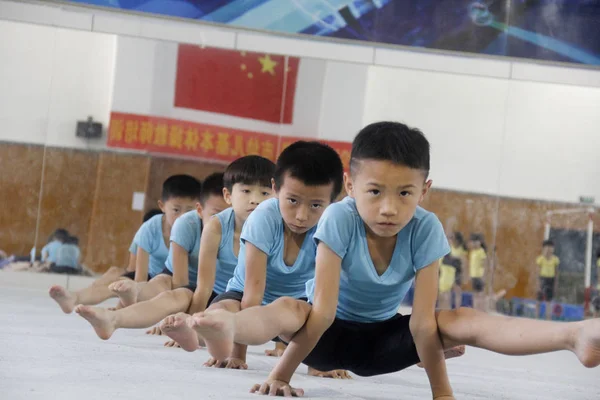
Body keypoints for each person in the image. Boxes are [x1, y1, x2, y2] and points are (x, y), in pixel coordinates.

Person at [185, 121, 600, 399]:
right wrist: (281, 375)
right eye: (374, 192)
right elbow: (323, 313)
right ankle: (230, 323)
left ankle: (572, 336)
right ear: (350, 185)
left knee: (455, 319)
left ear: (425, 190)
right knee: (292, 308)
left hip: (384, 344)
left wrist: (443, 393)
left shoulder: (426, 228)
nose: (388, 208)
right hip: (321, 342)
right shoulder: (338, 218)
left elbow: (421, 321)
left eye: (405, 193)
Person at [172, 142, 351, 378]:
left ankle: (213, 332)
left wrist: (320, 362)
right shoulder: (263, 217)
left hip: (293, 308)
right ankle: (202, 329)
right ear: (275, 188)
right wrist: (238, 355)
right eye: (293, 201)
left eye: (316, 205)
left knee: (299, 312)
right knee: (222, 308)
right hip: (244, 297)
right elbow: (252, 292)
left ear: (334, 199)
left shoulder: (334, 225)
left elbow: (325, 302)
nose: (301, 216)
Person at [73, 162, 269, 340]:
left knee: (214, 308)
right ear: (229, 197)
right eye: (245, 191)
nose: (255, 201)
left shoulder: (272, 228)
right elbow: (195, 286)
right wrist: (177, 321)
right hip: (192, 285)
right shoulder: (205, 225)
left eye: (264, 193)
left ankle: (134, 296)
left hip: (231, 295)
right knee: (171, 292)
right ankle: (114, 317)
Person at [48, 175, 201, 313]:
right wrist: (135, 303)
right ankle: (74, 297)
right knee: (119, 282)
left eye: (189, 211)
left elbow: (184, 281)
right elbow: (139, 276)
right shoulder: (150, 228)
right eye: (176, 210)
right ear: (162, 206)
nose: (182, 216)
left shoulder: (198, 231)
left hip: (178, 283)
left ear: (198, 209)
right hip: (150, 279)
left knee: (165, 289)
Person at [535, 240, 560, 320]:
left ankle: (548, 319)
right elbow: (537, 273)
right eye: (547, 248)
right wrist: (538, 284)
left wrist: (555, 285)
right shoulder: (540, 259)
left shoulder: (555, 259)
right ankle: (536, 318)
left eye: (551, 248)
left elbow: (556, 273)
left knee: (548, 302)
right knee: (538, 301)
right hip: (542, 279)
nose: (549, 250)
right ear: (543, 249)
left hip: (550, 280)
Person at [468, 233, 488, 311]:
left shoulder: (481, 251)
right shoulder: (473, 252)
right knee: (475, 294)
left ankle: (481, 310)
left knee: (480, 294)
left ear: (480, 242)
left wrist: (484, 276)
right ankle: (476, 309)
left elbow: (485, 264)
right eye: (473, 242)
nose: (474, 243)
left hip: (480, 275)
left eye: (476, 241)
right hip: (473, 275)